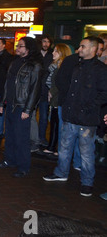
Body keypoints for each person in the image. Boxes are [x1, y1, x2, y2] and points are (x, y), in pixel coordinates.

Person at [43, 36, 107, 197]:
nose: (79, 49)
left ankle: (87, 183)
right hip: (70, 115)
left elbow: (104, 93)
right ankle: (61, 173)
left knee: (86, 153)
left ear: (93, 49)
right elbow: (65, 84)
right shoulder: (77, 65)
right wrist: (66, 103)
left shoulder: (100, 69)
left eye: (82, 46)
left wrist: (87, 108)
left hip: (86, 119)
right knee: (64, 148)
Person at [0, 37, 43, 178]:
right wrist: (1, 103)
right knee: (10, 135)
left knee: (21, 138)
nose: (18, 48)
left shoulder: (35, 65)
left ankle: (23, 166)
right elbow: (7, 84)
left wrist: (28, 110)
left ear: (28, 48)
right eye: (18, 45)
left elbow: (35, 89)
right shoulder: (15, 62)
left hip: (22, 106)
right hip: (10, 104)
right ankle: (9, 160)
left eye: (21, 46)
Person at [42, 43, 72, 156]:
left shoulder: (62, 67)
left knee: (58, 124)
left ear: (62, 53)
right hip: (54, 98)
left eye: (56, 51)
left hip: (59, 99)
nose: (53, 53)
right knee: (54, 123)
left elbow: (60, 84)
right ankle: (53, 146)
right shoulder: (54, 66)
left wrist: (51, 92)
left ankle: (57, 147)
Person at [35, 35, 54, 148]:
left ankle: (41, 137)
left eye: (48, 42)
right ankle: (32, 136)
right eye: (44, 41)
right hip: (35, 89)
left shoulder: (51, 56)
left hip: (45, 90)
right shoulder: (36, 55)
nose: (46, 44)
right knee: (30, 115)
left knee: (43, 116)